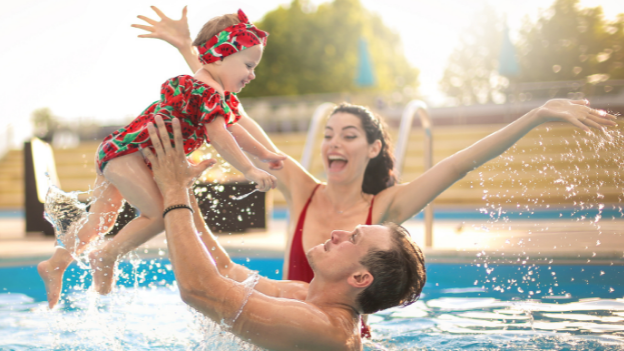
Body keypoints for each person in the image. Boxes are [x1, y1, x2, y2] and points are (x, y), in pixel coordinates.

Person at [135, 6, 619, 283]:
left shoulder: (384, 210)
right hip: (281, 322)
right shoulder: (302, 191)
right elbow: (226, 110)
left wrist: (534, 117)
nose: (333, 144)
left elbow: (458, 165)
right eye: (327, 135)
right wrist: (189, 52)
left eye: (348, 135)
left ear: (372, 149)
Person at [37, 9, 286, 308]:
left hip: (118, 152)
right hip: (129, 155)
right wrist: (249, 169)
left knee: (101, 220)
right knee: (158, 216)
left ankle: (56, 263)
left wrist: (266, 154)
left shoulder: (213, 93)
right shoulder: (205, 91)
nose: (252, 74)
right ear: (219, 56)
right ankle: (105, 256)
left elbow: (234, 129)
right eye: (248, 64)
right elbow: (221, 136)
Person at [143, 115, 427, 351]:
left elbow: (199, 290)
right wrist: (183, 186)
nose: (338, 233)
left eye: (353, 239)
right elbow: (224, 270)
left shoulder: (320, 327)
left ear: (360, 278)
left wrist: (174, 190)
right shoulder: (304, 296)